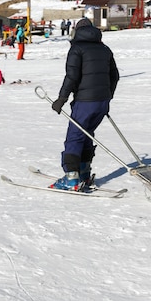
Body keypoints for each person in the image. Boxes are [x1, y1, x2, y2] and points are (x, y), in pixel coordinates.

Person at [49, 18, 120, 191]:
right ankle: (84, 172)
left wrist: (61, 99)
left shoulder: (77, 49)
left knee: (75, 136)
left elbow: (72, 77)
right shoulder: (104, 49)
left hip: (85, 102)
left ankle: (71, 178)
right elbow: (115, 76)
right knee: (87, 134)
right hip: (102, 102)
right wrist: (107, 96)